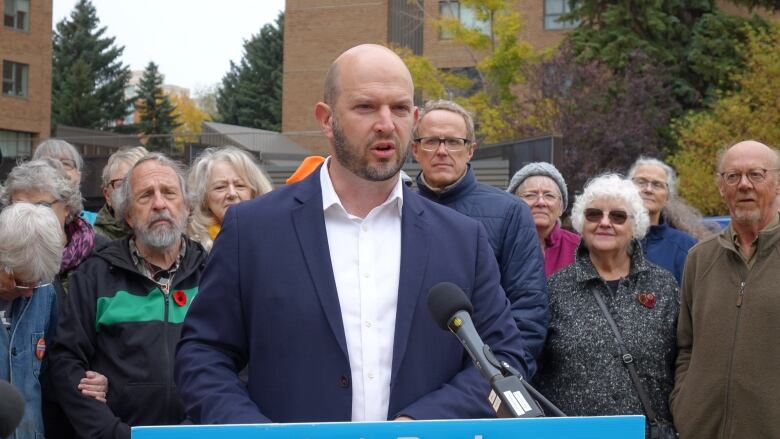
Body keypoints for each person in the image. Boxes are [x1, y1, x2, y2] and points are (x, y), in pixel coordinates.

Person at [175, 44, 528, 424]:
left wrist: (423, 424)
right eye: (365, 107)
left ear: (415, 117)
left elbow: (503, 357)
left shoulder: (462, 240)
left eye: (399, 108)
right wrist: (259, 435)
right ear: (326, 119)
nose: (386, 123)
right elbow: (203, 354)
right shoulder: (254, 229)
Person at [48, 153, 207, 439]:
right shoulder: (95, 275)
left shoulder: (213, 274)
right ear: (128, 215)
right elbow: (66, 363)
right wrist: (113, 433)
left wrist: (203, 427)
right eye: (146, 196)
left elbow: (240, 361)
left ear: (187, 206)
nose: (160, 204)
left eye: (169, 193)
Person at [534, 174, 678, 437]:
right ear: (580, 223)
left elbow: (681, 363)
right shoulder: (554, 289)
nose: (604, 223)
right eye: (593, 214)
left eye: (618, 216)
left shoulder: (664, 286)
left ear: (635, 226)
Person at [411, 100, 547, 372]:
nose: (441, 151)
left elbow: (528, 307)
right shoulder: (395, 209)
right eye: (431, 141)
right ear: (415, 149)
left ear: (470, 150)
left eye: (453, 141)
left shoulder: (509, 212)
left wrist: (505, 379)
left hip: (483, 377)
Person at [671, 140, 780, 439]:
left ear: (778, 183)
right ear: (722, 187)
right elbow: (686, 346)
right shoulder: (699, 258)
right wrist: (685, 405)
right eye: (733, 176)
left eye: (756, 174)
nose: (744, 185)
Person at [0, 203, 106, 439]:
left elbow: (53, 370)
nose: (29, 293)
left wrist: (89, 382)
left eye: (36, 284)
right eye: (21, 282)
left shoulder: (45, 293)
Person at [1, 159, 103, 291]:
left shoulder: (100, 253)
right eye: (20, 206)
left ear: (66, 206)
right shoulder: (3, 256)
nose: (31, 214)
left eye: (42, 206)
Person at [627, 157, 703, 285]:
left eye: (657, 184)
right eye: (641, 182)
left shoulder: (685, 246)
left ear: (667, 196)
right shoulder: (610, 238)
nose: (648, 189)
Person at [187, 146, 273, 251]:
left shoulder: (274, 236)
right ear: (204, 199)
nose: (232, 194)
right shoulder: (192, 250)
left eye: (240, 185)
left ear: (254, 193)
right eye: (220, 187)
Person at [507, 162, 580, 277]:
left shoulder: (580, 249)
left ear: (561, 207)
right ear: (513, 203)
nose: (541, 202)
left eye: (549, 196)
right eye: (530, 195)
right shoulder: (499, 246)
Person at [33, 139, 97, 225]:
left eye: (66, 163)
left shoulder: (97, 223)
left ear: (78, 176)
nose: (58, 168)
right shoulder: (20, 220)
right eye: (49, 163)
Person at [94, 146, 149, 240]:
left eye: (140, 183)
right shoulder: (90, 243)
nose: (131, 191)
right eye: (121, 184)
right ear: (107, 196)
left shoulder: (171, 233)